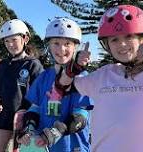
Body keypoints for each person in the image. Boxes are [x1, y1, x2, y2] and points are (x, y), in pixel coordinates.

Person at [56, 5, 143, 152]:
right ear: (107, 45)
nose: (122, 44)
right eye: (114, 40)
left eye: (129, 36)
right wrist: (74, 68)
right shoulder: (102, 76)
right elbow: (61, 87)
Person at [16, 18, 93, 152]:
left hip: (73, 147)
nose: (61, 49)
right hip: (44, 147)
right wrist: (28, 129)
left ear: (75, 47)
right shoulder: (44, 77)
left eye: (67, 44)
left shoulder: (82, 77)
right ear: (49, 46)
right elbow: (35, 109)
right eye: (56, 43)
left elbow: (80, 118)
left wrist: (55, 132)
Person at [0, 19, 44, 152]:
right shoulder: (2, 65)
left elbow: (40, 95)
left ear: (25, 38)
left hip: (25, 121)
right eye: (6, 41)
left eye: (14, 40)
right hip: (3, 118)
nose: (10, 44)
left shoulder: (33, 65)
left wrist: (27, 116)